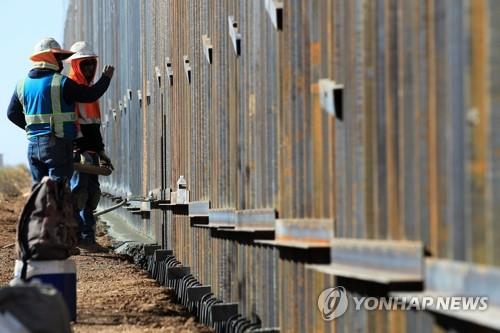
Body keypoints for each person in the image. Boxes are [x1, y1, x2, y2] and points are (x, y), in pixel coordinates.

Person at [6, 37, 114, 187]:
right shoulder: (61, 82)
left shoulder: (21, 84)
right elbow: (89, 95)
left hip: (33, 146)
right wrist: (106, 78)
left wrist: (33, 129)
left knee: (40, 193)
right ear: (49, 57)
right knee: (59, 193)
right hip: (57, 147)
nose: (61, 62)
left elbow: (11, 114)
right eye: (58, 57)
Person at [67, 41, 113, 245]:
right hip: (80, 152)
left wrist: (101, 152)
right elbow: (73, 123)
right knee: (79, 194)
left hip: (92, 152)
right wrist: (80, 149)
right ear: (76, 65)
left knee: (91, 196)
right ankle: (79, 239)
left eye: (91, 64)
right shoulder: (72, 88)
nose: (89, 68)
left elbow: (93, 126)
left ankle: (88, 239)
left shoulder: (87, 90)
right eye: (85, 64)